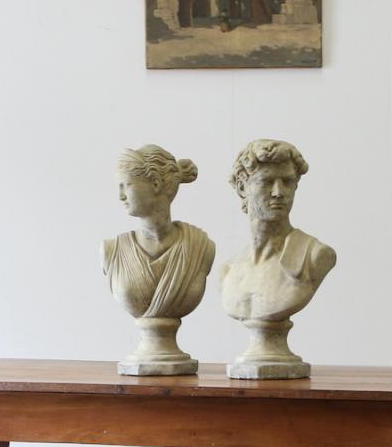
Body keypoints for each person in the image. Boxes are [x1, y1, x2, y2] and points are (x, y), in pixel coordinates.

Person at [102, 145, 215, 349]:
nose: (120, 196)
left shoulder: (200, 246)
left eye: (125, 185)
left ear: (155, 183)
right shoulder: (111, 250)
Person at [220, 139, 336, 324]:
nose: (278, 192)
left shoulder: (315, 255)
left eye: (287, 182)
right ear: (242, 187)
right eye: (266, 182)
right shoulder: (227, 271)